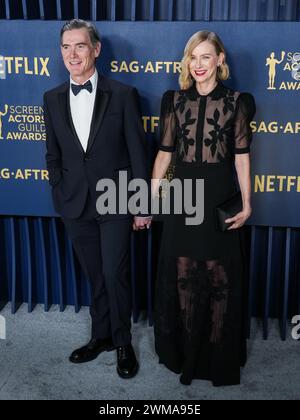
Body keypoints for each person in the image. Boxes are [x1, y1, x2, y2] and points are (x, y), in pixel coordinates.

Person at [44, 19, 151, 379]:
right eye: (66, 47)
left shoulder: (122, 94)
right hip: (75, 204)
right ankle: (100, 336)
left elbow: (138, 155)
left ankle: (123, 343)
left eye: (79, 46)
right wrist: (59, 192)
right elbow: (53, 154)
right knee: (96, 276)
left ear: (96, 49)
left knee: (114, 272)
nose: (72, 54)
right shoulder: (51, 98)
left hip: (117, 200)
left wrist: (141, 205)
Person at [152, 31, 256, 386]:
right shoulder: (174, 101)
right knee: (182, 276)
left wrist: (247, 202)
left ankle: (215, 357)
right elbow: (165, 154)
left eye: (206, 57)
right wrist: (151, 196)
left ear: (220, 60)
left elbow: (242, 158)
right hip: (181, 198)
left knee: (218, 278)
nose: (198, 65)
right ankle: (183, 352)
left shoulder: (238, 102)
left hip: (217, 199)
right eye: (193, 58)